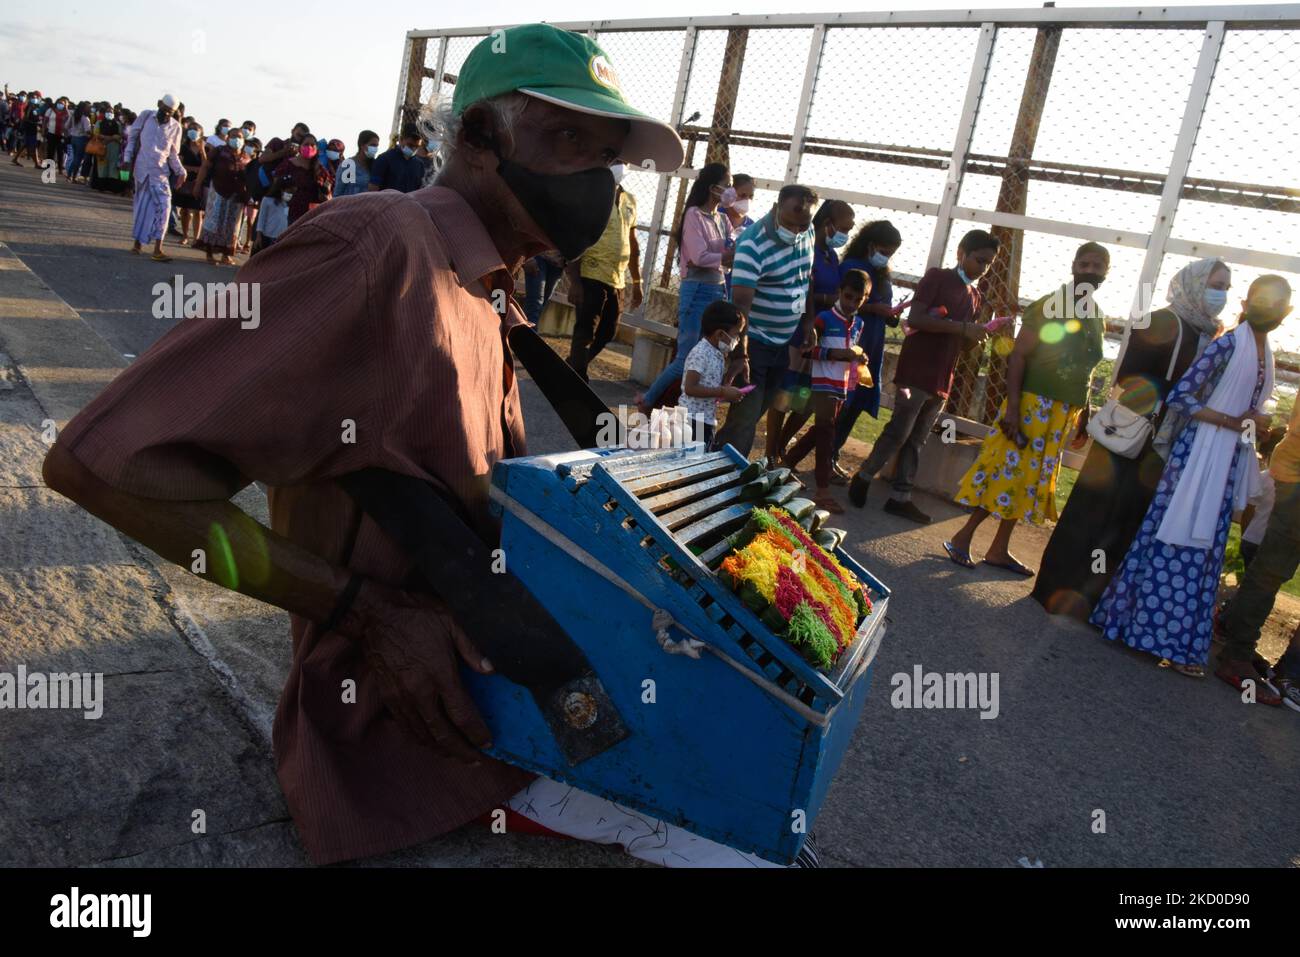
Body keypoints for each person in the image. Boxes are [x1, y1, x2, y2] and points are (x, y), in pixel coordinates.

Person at [42, 25, 794, 870]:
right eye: (565, 140)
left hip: (507, 698)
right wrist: (357, 609)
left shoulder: (489, 288)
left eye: (607, 155)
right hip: (425, 740)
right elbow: (99, 464)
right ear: (478, 140)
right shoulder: (376, 248)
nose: (593, 178)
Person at [1091, 275, 1286, 679]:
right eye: (1266, 300)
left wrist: (1252, 424)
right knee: (1177, 539)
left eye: (1281, 303)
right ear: (1247, 303)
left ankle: (1176, 642)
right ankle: (1146, 635)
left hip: (1227, 454)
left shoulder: (1265, 350)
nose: (1274, 308)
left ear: (1288, 311)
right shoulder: (1230, 344)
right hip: (1199, 453)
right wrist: (1233, 421)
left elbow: (1246, 407)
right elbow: (1181, 396)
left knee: (1207, 549)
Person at [1031, 257, 1231, 620]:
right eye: (1216, 285)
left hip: (1159, 444)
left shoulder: (1206, 333)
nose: (1222, 295)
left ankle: (1089, 600)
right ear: (1194, 284)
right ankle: (1053, 589)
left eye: (1226, 288)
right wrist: (1176, 396)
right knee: (1092, 514)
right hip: (1131, 434)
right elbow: (1128, 378)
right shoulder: (1161, 320)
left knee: (1124, 523)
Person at [944, 243, 1110, 575]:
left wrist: (1085, 408)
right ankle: (962, 537)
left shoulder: (1095, 314)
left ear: (1106, 273)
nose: (1090, 271)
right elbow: (1019, 355)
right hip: (1034, 404)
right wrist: (1013, 409)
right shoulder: (1051, 305)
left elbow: (1084, 366)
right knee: (1008, 471)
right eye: (1086, 264)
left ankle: (998, 549)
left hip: (1063, 413)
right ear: (1073, 265)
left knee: (1030, 478)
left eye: (1098, 266)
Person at [848, 229, 998, 523]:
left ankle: (901, 496)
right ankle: (864, 475)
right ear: (961, 253)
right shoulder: (938, 278)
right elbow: (916, 318)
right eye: (980, 260)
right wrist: (962, 329)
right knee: (899, 432)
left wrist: (977, 336)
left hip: (942, 376)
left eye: (989, 264)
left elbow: (963, 342)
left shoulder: (976, 295)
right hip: (917, 370)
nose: (983, 268)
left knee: (917, 439)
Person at [709, 184, 818, 459]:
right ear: (776, 209)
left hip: (783, 344)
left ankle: (711, 459)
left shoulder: (808, 232)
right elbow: (740, 308)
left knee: (753, 414)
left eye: (803, 225)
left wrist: (807, 323)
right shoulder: (753, 244)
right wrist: (739, 355)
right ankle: (725, 481)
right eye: (791, 223)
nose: (796, 232)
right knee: (745, 421)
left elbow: (805, 279)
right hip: (754, 343)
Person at [635, 162, 733, 411]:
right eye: (727, 185)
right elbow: (699, 257)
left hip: (718, 289)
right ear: (713, 188)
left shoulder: (722, 219)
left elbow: (730, 250)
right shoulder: (694, 215)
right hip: (698, 290)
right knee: (686, 357)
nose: (731, 191)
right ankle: (648, 400)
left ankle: (683, 404)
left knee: (711, 353)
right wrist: (725, 258)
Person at [772, 199, 855, 461]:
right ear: (827, 224)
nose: (846, 235)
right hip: (799, 333)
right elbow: (798, 289)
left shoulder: (831, 256)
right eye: (844, 228)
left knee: (806, 399)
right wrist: (825, 300)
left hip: (821, 340)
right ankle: (771, 451)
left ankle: (780, 447)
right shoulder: (805, 250)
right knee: (785, 396)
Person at [782, 269, 870, 513]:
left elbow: (851, 348)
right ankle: (822, 490)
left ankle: (786, 463)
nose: (851, 303)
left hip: (840, 386)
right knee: (826, 435)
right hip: (819, 383)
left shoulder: (858, 324)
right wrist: (836, 354)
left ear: (865, 300)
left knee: (821, 431)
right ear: (839, 293)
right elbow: (807, 350)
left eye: (858, 299)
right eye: (848, 297)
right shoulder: (824, 319)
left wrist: (860, 358)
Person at [830, 221, 906, 481]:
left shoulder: (882, 273)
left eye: (891, 253)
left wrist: (892, 315)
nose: (887, 257)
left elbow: (883, 304)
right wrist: (874, 309)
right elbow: (841, 302)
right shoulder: (853, 268)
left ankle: (833, 452)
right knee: (840, 401)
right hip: (850, 341)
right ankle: (825, 454)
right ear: (871, 244)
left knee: (856, 402)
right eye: (884, 250)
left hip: (872, 344)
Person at [565, 160, 641, 382]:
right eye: (617, 161)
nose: (622, 166)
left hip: (617, 279)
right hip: (590, 274)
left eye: (625, 162)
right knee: (585, 331)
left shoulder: (630, 200)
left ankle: (573, 365)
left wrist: (637, 282)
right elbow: (575, 239)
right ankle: (577, 378)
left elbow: (633, 242)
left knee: (608, 332)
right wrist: (575, 281)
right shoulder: (590, 197)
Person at [123, 96, 185, 262]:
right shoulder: (145, 116)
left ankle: (158, 249)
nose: (165, 113)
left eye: (169, 112)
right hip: (142, 171)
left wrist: (181, 171)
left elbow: (173, 154)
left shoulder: (176, 127)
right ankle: (137, 244)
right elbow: (133, 137)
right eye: (164, 109)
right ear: (158, 104)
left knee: (164, 207)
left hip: (160, 173)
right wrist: (127, 159)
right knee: (142, 207)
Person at [682, 300, 747, 446]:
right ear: (720, 334)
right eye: (736, 334)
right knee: (693, 462)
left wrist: (725, 391)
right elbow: (690, 388)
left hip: (705, 419)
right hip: (693, 421)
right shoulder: (701, 353)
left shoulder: (716, 353)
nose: (737, 340)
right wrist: (723, 391)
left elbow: (708, 384)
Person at [196, 126, 251, 266]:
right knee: (214, 222)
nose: (236, 139)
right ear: (227, 138)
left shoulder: (246, 157)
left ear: (244, 140)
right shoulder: (219, 151)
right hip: (218, 192)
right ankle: (209, 252)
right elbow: (205, 167)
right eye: (233, 136)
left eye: (239, 137)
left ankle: (226, 255)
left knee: (232, 226)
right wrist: (198, 185)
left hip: (237, 196)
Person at [274, 136, 331, 224]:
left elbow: (328, 194)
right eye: (306, 144)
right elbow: (276, 183)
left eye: (312, 145)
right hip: (287, 212)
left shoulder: (321, 170)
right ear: (300, 147)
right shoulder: (288, 165)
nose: (309, 147)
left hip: (310, 217)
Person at [368, 124, 429, 194]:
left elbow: (419, 190)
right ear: (400, 139)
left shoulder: (419, 165)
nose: (413, 149)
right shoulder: (384, 159)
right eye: (410, 145)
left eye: (417, 146)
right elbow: (373, 189)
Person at [174, 121, 207, 245]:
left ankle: (196, 238)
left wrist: (202, 149)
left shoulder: (206, 147)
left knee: (198, 211)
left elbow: (206, 165)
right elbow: (179, 164)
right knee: (185, 209)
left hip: (199, 181)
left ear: (201, 133)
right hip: (185, 180)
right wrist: (193, 169)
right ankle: (185, 235)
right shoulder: (183, 147)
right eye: (191, 129)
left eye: (196, 130)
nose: (193, 132)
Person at [522, 250, 565, 327]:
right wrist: (528, 258)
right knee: (535, 302)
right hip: (538, 258)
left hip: (558, 265)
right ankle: (528, 334)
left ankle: (522, 329)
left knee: (540, 305)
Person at [334, 130, 381, 197]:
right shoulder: (348, 165)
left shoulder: (376, 166)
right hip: (349, 206)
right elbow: (338, 192)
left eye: (376, 146)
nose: (375, 149)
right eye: (372, 145)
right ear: (362, 145)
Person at [89, 106, 125, 193]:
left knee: (113, 167)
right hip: (102, 147)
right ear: (105, 113)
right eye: (108, 112)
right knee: (102, 167)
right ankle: (101, 186)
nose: (110, 114)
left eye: (111, 112)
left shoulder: (118, 124)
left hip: (114, 149)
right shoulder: (99, 123)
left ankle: (112, 187)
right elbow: (96, 134)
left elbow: (120, 136)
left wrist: (112, 138)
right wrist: (110, 137)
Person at [253, 175, 292, 252]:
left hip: (280, 237)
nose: (290, 194)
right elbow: (261, 219)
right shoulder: (267, 200)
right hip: (267, 236)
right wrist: (258, 236)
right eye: (288, 191)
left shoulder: (287, 203)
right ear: (281, 189)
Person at [65, 102, 93, 183]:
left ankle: (70, 175)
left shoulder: (73, 116)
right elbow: (87, 131)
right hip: (81, 139)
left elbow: (66, 126)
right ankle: (72, 176)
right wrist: (92, 133)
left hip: (73, 138)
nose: (90, 109)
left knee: (75, 158)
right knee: (78, 159)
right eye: (88, 107)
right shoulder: (85, 118)